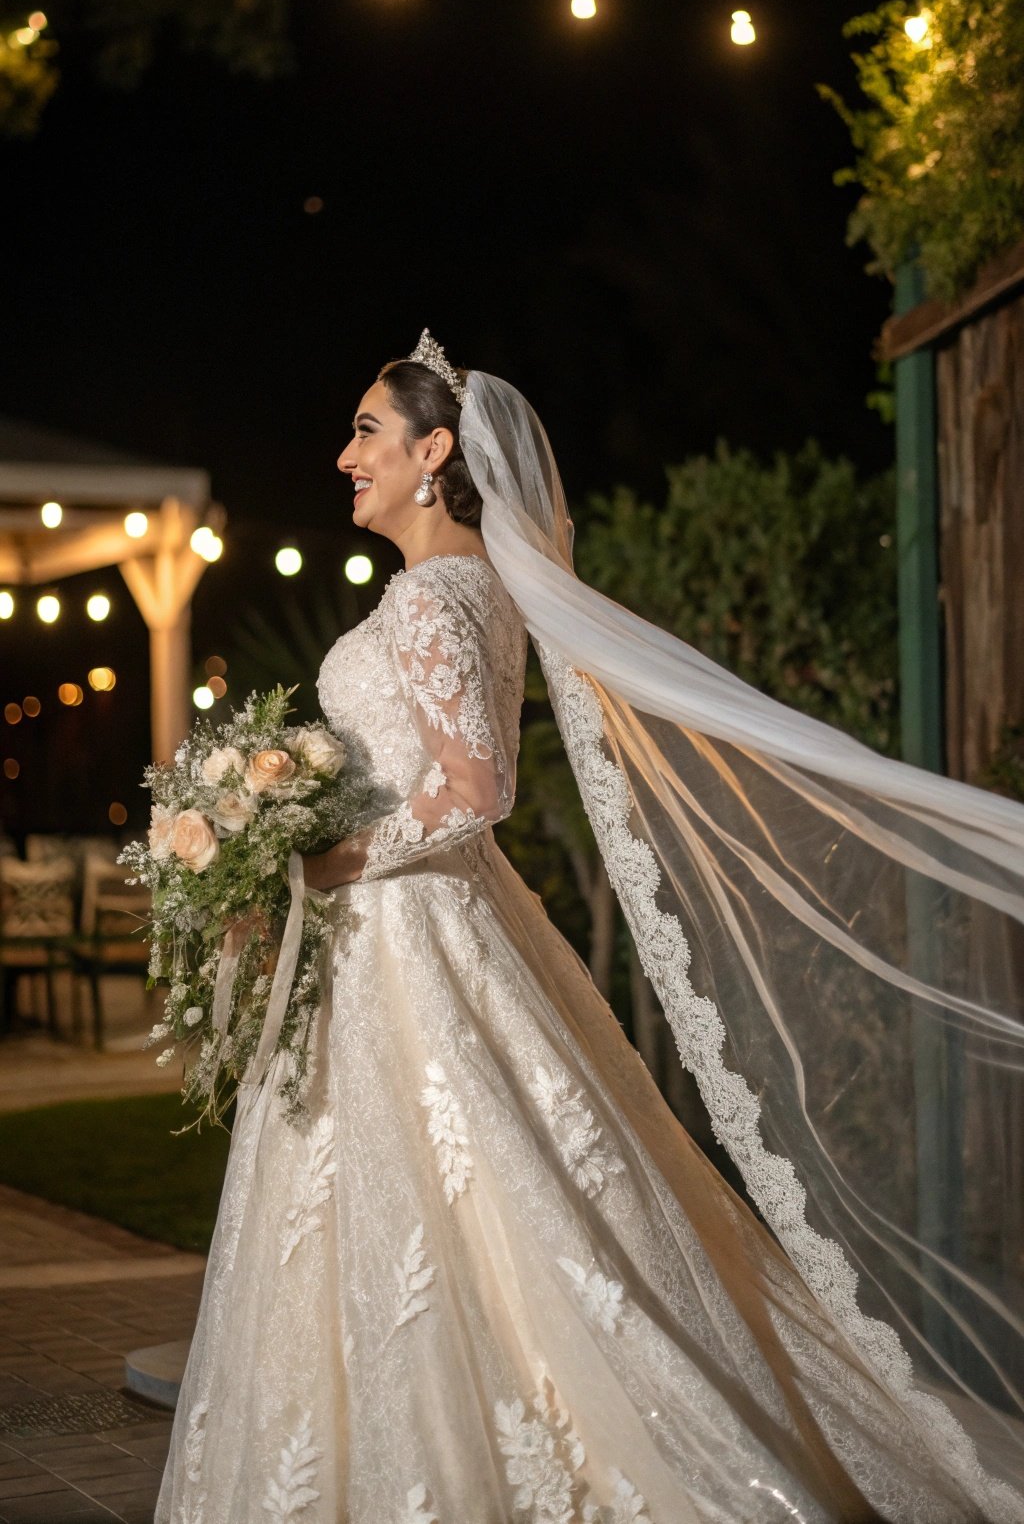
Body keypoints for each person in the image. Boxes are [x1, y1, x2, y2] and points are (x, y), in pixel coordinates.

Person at [156, 332, 1024, 1523]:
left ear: (434, 450)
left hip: (411, 933)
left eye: (367, 430)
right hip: (419, 929)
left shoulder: (428, 600)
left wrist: (318, 854)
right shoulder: (474, 590)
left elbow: (474, 790)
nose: (345, 453)